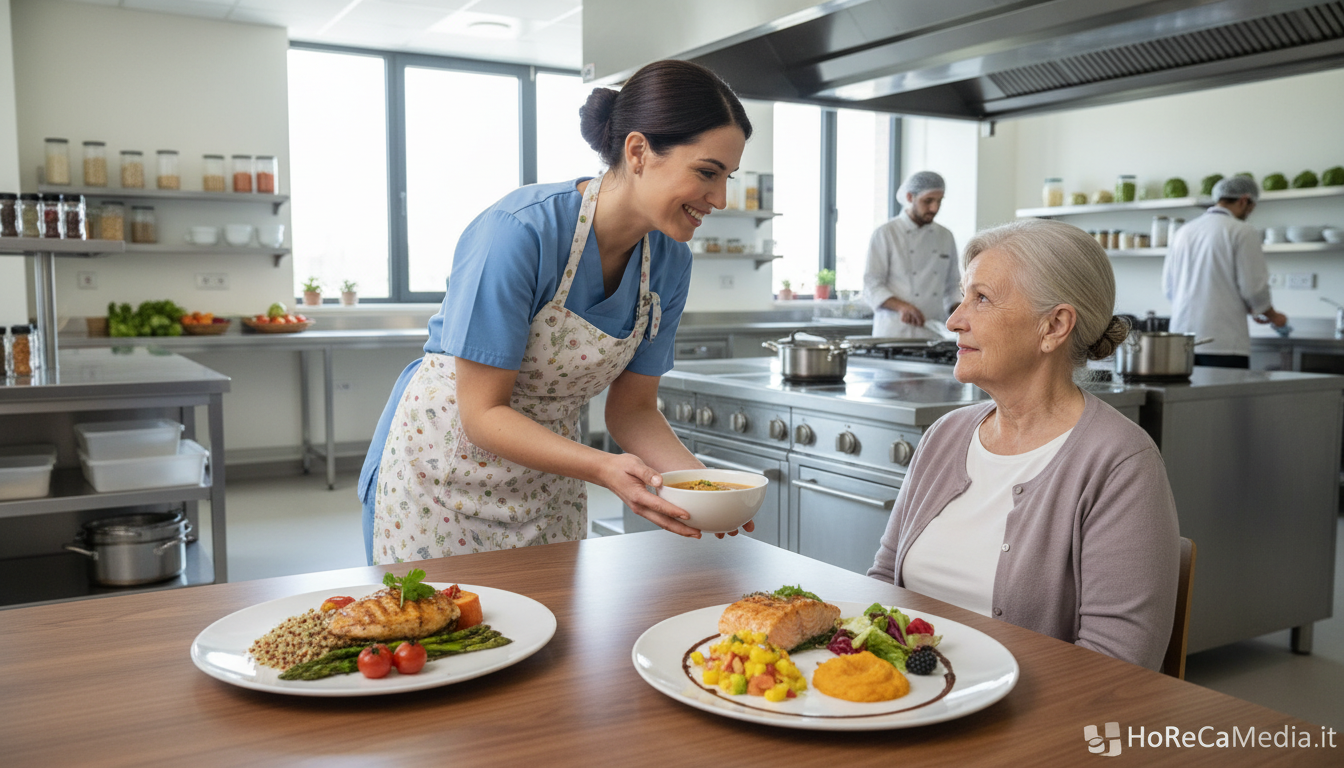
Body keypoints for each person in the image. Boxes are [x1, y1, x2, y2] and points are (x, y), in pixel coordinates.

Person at [358, 60, 755, 565]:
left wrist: (706, 491)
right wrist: (605, 467)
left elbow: (632, 410)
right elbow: (483, 413)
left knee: (555, 634)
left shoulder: (670, 263)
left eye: (728, 178)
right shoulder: (518, 232)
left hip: (553, 481)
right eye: (707, 173)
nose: (720, 198)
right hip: (444, 474)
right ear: (638, 152)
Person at [868, 219, 1180, 671]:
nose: (955, 320)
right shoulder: (946, 435)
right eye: (962, 296)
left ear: (1054, 326)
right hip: (905, 703)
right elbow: (882, 582)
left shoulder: (1120, 464)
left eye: (982, 298)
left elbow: (1117, 667)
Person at [1162, 175, 1288, 369]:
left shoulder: (1184, 232)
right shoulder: (1242, 231)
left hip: (1181, 341)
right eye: (1252, 206)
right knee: (1223, 400)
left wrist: (1248, 306)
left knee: (1186, 399)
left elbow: (1169, 288)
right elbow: (1253, 288)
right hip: (1224, 343)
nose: (1250, 212)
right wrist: (1273, 316)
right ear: (1244, 200)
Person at [862, 171, 961, 339]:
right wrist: (902, 307)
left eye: (939, 201)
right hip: (894, 334)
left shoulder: (945, 236)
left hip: (934, 334)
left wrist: (960, 311)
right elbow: (872, 285)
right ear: (909, 197)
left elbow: (952, 286)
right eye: (928, 201)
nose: (934, 208)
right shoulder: (886, 233)